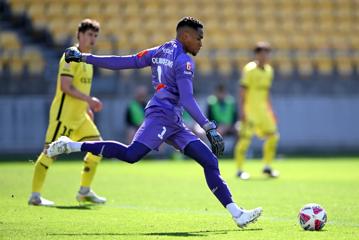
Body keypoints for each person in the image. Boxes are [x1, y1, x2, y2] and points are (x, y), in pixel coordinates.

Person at [46, 17, 262, 228]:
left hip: (173, 121)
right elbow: (187, 99)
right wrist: (209, 127)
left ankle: (237, 214)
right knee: (131, 155)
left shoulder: (159, 51)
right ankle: (71, 145)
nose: (201, 43)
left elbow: (123, 61)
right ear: (186, 36)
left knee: (209, 161)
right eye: (199, 38)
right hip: (161, 117)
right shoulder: (184, 61)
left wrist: (85, 57)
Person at [28, 19, 106, 206]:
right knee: (49, 153)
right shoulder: (72, 56)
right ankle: (35, 196)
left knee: (98, 148)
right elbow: (65, 86)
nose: (93, 39)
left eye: (95, 35)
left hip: (80, 117)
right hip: (63, 116)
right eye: (89, 35)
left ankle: (84, 191)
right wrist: (89, 100)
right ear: (79, 35)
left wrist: (86, 108)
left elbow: (81, 88)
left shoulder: (88, 61)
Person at [234, 42, 280, 180]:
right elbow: (242, 91)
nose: (265, 56)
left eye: (267, 53)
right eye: (262, 53)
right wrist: (242, 111)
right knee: (245, 140)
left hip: (263, 112)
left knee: (273, 136)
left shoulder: (269, 71)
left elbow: (266, 93)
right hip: (250, 111)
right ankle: (240, 170)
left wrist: (271, 111)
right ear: (257, 55)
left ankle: (267, 166)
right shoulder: (249, 69)